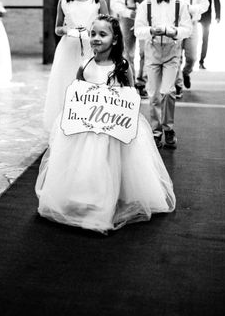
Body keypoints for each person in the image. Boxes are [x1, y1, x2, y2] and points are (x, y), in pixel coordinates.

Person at [36, 14, 175, 234]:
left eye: (102, 34)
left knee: (114, 163)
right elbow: (78, 93)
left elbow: (130, 96)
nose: (96, 38)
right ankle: (87, 197)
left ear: (115, 39)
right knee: (87, 162)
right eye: (93, 34)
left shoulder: (122, 66)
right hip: (87, 127)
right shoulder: (85, 65)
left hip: (114, 127)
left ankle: (114, 197)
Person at [42, 0, 108, 131]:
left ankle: (90, 123)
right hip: (68, 49)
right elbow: (57, 28)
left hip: (91, 49)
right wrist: (66, 30)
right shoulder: (64, 0)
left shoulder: (98, 0)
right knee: (67, 84)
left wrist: (96, 36)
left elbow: (108, 27)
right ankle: (66, 124)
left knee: (91, 85)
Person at [135, 0, 193, 149]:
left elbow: (187, 29)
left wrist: (171, 30)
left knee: (168, 92)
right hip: (152, 52)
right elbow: (138, 30)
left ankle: (168, 128)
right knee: (153, 95)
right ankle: (155, 132)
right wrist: (151, 30)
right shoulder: (145, 5)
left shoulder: (181, 5)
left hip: (172, 52)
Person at [110, 0, 150, 97]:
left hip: (145, 19)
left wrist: (144, 0)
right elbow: (114, 2)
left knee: (145, 52)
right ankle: (130, 83)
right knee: (128, 52)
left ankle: (142, 83)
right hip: (128, 19)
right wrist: (128, 13)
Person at [170, 0, 209, 95]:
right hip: (175, 27)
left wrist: (191, 8)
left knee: (192, 57)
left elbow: (205, 5)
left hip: (191, 26)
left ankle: (186, 73)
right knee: (176, 57)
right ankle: (178, 85)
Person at [193, 0, 221, 69]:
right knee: (192, 37)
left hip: (207, 17)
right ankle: (190, 59)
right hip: (195, 14)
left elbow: (217, 1)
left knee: (205, 39)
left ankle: (201, 61)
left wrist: (218, 15)